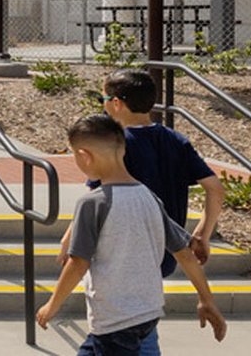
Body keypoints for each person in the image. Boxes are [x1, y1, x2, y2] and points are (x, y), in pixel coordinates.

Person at [39, 114, 227, 356]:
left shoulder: (93, 203)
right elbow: (185, 254)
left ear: (84, 156)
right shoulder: (149, 197)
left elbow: (78, 263)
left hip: (115, 321)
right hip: (147, 314)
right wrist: (206, 299)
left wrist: (52, 305)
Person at [61, 68, 225, 296]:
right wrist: (201, 236)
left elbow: (95, 197)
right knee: (145, 308)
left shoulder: (114, 145)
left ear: (116, 103)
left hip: (122, 251)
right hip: (166, 252)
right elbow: (215, 189)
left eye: (104, 99)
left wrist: (68, 240)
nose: (103, 106)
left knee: (118, 315)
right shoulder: (176, 140)